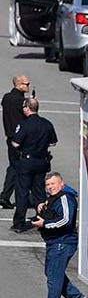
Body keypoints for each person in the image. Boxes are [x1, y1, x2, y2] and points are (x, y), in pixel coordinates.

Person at [31, 172, 86, 298]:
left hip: (63, 242)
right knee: (53, 273)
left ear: (62, 184)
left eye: (53, 184)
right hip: (54, 241)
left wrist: (45, 224)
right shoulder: (54, 198)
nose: (50, 187)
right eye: (48, 185)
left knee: (54, 277)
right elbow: (54, 214)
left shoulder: (65, 198)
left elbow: (66, 220)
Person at [10, 98, 56, 233]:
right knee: (39, 192)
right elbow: (53, 142)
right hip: (41, 161)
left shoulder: (24, 124)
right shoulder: (47, 124)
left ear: (27, 108)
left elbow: (16, 143)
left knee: (22, 192)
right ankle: (42, 219)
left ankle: (19, 223)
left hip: (26, 162)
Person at [1, 75, 31, 209]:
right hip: (20, 138)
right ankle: (7, 196)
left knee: (14, 165)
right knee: (19, 167)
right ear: (19, 85)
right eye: (26, 84)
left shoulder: (7, 98)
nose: (28, 86)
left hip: (10, 136)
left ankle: (5, 195)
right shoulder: (21, 101)